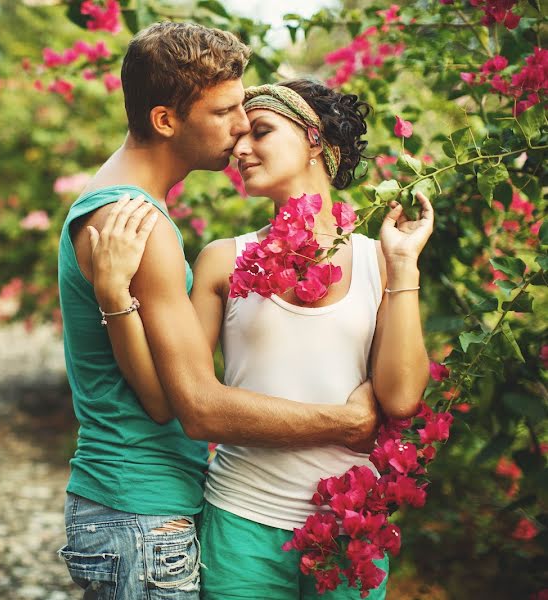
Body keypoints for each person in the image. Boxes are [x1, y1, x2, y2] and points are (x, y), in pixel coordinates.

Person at [57, 21, 383, 600]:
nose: (239, 132)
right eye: (227, 111)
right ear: (165, 120)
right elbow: (179, 403)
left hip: (133, 503)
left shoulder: (116, 203)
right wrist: (349, 422)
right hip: (140, 506)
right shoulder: (136, 223)